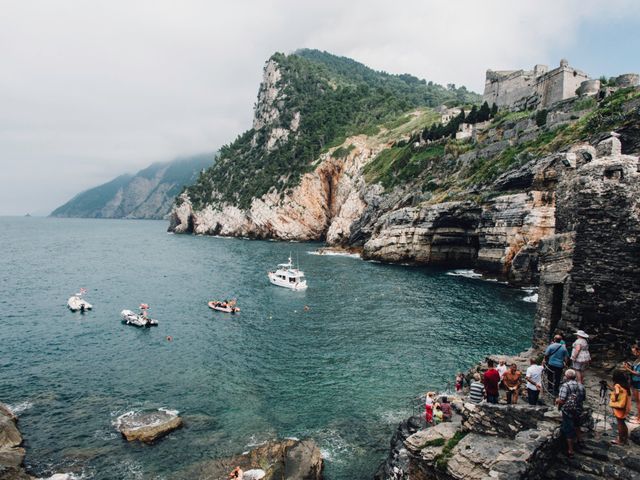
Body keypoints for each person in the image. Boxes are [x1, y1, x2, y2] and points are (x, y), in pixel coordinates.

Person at [556, 369, 586, 458]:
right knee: (577, 425)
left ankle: (570, 450)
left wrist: (557, 401)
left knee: (568, 429)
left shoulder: (565, 386)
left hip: (568, 411)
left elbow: (561, 400)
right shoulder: (581, 386)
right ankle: (580, 441)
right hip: (578, 409)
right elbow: (583, 398)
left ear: (567, 377)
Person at [610, 369, 632, 445]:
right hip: (625, 407)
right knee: (623, 422)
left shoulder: (617, 385)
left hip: (620, 407)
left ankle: (620, 440)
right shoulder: (625, 385)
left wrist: (615, 399)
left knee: (619, 423)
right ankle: (625, 439)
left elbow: (617, 392)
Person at [622, 342, 640, 424]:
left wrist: (627, 369)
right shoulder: (637, 359)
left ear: (638, 351)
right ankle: (638, 416)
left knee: (639, 401)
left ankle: (639, 419)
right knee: (637, 401)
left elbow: (638, 373)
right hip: (635, 381)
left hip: (638, 382)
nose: (633, 353)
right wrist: (630, 366)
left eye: (634, 352)